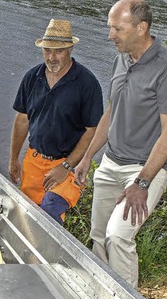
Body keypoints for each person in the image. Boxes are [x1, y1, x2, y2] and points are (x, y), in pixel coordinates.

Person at [74, 0, 167, 288]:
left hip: (145, 168)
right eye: (109, 27)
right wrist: (87, 157)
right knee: (99, 237)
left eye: (117, 28)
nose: (110, 35)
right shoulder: (121, 59)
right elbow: (113, 111)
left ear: (142, 28)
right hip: (111, 162)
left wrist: (142, 183)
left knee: (119, 236)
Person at [9, 19, 104, 225]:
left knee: (51, 210)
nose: (51, 58)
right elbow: (22, 119)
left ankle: (52, 256)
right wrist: (13, 158)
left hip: (66, 165)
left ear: (70, 49)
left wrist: (67, 166)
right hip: (34, 161)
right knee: (27, 219)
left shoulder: (87, 83)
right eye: (47, 51)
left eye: (58, 51)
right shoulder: (32, 77)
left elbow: (91, 130)